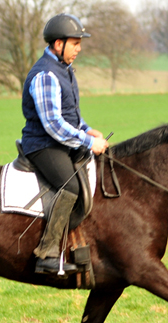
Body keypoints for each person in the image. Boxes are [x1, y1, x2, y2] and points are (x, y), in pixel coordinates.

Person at [21, 13, 109, 275]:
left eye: (80, 43)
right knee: (70, 187)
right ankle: (46, 254)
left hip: (61, 143)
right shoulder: (46, 75)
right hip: (43, 145)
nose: (79, 49)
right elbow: (53, 124)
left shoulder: (65, 70)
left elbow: (70, 113)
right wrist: (86, 141)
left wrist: (86, 129)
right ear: (58, 44)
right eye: (75, 43)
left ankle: (78, 249)